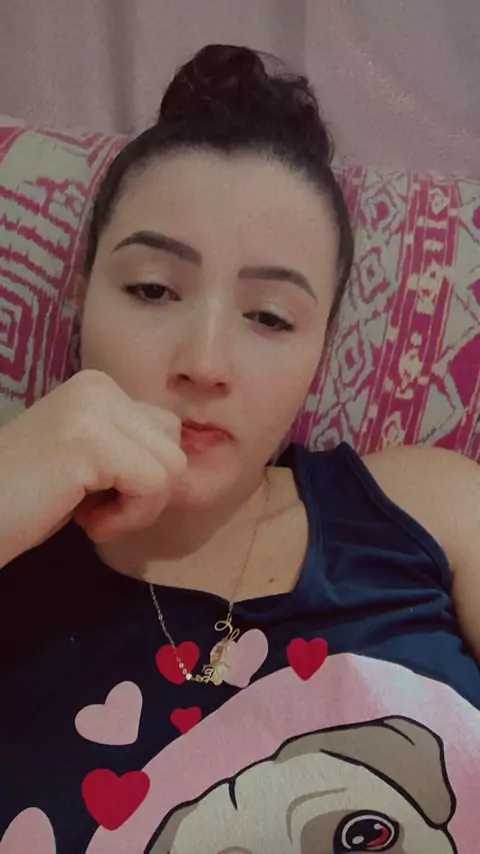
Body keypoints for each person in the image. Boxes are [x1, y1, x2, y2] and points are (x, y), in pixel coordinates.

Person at [0, 43, 479, 854]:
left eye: (270, 317)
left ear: (323, 351)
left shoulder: (431, 508)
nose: (205, 362)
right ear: (80, 302)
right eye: (153, 289)